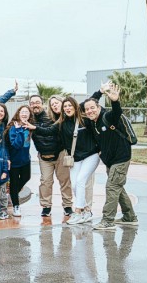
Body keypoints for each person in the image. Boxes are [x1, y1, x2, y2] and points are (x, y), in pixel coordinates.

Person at [27, 95, 101, 225]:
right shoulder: (61, 122)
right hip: (75, 157)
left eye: (68, 105)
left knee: (81, 181)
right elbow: (48, 131)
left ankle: (80, 211)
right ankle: (84, 211)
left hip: (90, 155)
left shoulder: (84, 119)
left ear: (75, 106)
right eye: (65, 106)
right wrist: (34, 128)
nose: (67, 108)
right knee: (74, 184)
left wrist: (100, 93)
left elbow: (92, 110)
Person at [83, 84, 138, 230]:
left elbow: (117, 112)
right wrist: (99, 92)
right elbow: (83, 105)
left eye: (92, 108)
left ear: (99, 108)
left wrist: (114, 100)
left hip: (121, 158)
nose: (89, 111)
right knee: (118, 188)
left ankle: (107, 220)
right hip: (110, 161)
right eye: (87, 109)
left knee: (112, 188)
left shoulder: (107, 116)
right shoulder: (91, 122)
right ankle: (129, 217)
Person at [29, 94, 72, 217]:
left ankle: (68, 205)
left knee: (65, 181)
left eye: (37, 102)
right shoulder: (29, 118)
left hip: (59, 153)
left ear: (42, 103)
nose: (35, 105)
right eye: (32, 103)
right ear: (30, 105)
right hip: (44, 156)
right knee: (45, 182)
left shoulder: (52, 115)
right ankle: (46, 206)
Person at [4, 105, 34, 217]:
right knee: (14, 182)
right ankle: (16, 206)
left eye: (27, 112)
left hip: (25, 160)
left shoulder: (29, 127)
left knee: (26, 177)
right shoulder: (13, 127)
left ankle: (13, 193)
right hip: (14, 161)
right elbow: (16, 144)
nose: (24, 114)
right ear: (18, 113)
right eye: (22, 112)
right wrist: (19, 131)